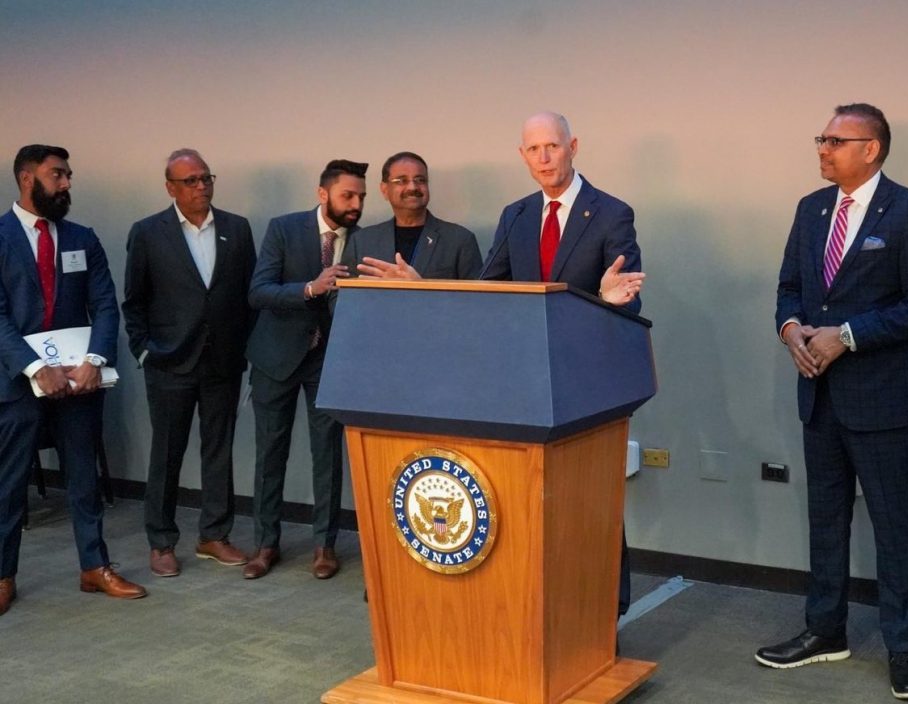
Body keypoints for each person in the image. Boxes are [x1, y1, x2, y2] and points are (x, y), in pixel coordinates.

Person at [358, 112, 645, 618]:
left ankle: (603, 611)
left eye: (552, 146)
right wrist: (427, 290)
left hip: (586, 385)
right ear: (523, 156)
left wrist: (606, 299)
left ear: (573, 146)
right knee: (529, 501)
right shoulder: (516, 214)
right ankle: (532, 605)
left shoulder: (611, 213)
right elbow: (489, 293)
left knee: (589, 500)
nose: (544, 157)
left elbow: (628, 300)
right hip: (525, 385)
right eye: (533, 149)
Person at [759, 103, 908, 701]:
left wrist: (845, 336)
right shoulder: (811, 210)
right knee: (824, 520)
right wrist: (792, 330)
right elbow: (790, 287)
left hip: (886, 400)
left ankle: (904, 649)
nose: (823, 148)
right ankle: (826, 631)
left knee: (895, 527)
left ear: (872, 149)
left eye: (836, 140)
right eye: (822, 137)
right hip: (819, 394)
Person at [0, 144, 147, 615]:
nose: (66, 184)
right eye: (57, 175)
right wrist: (34, 367)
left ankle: (94, 566)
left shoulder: (83, 238)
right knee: (9, 483)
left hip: (80, 381)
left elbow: (105, 305)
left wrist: (94, 359)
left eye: (68, 176)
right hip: (18, 381)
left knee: (84, 476)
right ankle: (3, 575)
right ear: (27, 178)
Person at [123, 149, 256, 578]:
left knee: (219, 451)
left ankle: (214, 536)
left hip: (222, 361)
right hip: (169, 362)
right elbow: (134, 302)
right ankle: (161, 541)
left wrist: (245, 348)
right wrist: (144, 350)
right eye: (191, 181)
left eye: (206, 178)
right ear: (170, 188)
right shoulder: (147, 233)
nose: (202, 187)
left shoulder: (236, 228)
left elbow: (247, 296)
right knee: (166, 453)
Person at [242, 159, 367, 580]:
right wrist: (311, 288)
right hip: (276, 357)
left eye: (361, 197)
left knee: (327, 454)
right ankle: (265, 545)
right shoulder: (284, 228)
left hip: (329, 361)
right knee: (269, 452)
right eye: (347, 195)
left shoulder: (367, 240)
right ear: (323, 194)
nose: (355, 204)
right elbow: (259, 292)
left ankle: (324, 546)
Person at [342, 152, 481, 279]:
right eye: (402, 181)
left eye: (420, 180)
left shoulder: (460, 240)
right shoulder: (361, 242)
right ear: (384, 190)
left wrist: (420, 288)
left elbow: (477, 301)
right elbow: (341, 297)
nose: (412, 187)